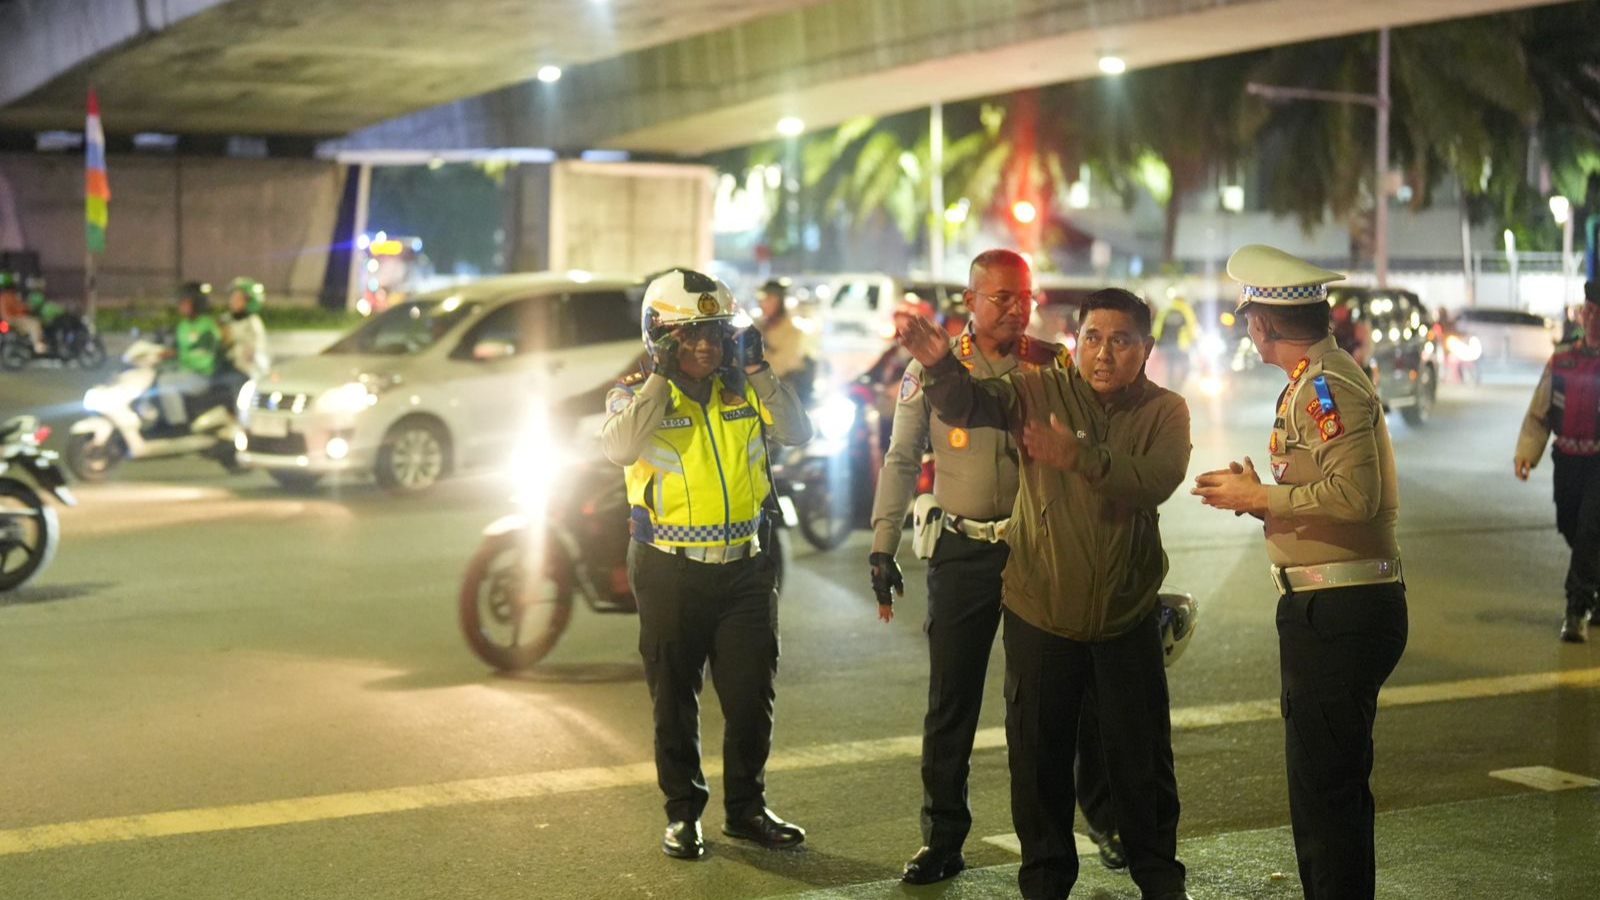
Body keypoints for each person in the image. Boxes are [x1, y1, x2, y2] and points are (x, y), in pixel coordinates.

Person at [897, 287, 1193, 900]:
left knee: (1140, 766)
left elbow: (1156, 480)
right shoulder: (1037, 389)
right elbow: (970, 404)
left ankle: (1160, 881)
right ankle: (1045, 884)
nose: (1103, 353)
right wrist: (940, 367)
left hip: (1125, 617)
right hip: (1039, 612)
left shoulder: (1167, 411)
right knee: (1037, 765)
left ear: (1147, 349)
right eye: (1091, 338)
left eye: (1120, 340)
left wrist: (1078, 455)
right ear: (1076, 340)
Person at [867, 250, 1128, 885]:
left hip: (1038, 551)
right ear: (970, 299)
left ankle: (1102, 819)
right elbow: (903, 459)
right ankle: (943, 838)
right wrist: (882, 544)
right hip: (961, 550)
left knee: (1058, 697)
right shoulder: (930, 369)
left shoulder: (1054, 364)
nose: (1015, 308)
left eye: (1024, 297)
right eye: (1001, 298)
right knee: (951, 701)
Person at [1191, 245, 1407, 900]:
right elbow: (1328, 500)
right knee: (1331, 794)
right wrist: (1264, 503)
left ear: (1263, 325)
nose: (1248, 331)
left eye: (1248, 320)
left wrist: (1261, 499)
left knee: (1326, 799)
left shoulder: (1325, 387)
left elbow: (1356, 497)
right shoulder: (1317, 380)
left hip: (1339, 614)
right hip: (1333, 607)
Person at [601, 268, 813, 861]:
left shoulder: (743, 386)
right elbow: (618, 447)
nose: (704, 345)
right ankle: (682, 813)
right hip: (669, 568)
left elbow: (798, 430)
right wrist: (659, 380)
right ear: (659, 338)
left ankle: (746, 810)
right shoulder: (633, 390)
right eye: (687, 334)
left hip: (746, 566)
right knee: (674, 697)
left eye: (715, 332)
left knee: (750, 698)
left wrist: (756, 367)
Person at [1515, 279, 1600, 642]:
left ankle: (1575, 609)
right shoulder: (1563, 358)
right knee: (1569, 524)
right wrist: (1526, 453)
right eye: (1589, 311)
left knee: (1589, 530)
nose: (1592, 318)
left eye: (1599, 313)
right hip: (1567, 458)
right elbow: (1540, 411)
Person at [155, 282, 223, 428]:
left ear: (196, 303)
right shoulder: (183, 325)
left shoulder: (208, 326)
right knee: (156, 374)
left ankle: (178, 424)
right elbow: (175, 348)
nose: (180, 305)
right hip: (184, 371)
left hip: (201, 376)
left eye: (184, 301)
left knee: (166, 382)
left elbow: (204, 359)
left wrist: (178, 354)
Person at [756, 278, 816, 403]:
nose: (764, 304)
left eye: (770, 299)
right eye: (763, 299)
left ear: (780, 302)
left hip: (782, 397)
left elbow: (780, 367)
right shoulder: (757, 328)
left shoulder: (792, 333)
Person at [219, 277, 271, 390]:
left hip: (248, 372)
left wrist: (231, 343)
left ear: (249, 302)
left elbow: (253, 353)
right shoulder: (226, 319)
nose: (233, 300)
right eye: (232, 297)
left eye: (238, 298)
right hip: (228, 369)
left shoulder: (253, 323)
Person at [1151, 293, 1197, 389]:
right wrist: (1194, 340)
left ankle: (1172, 387)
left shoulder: (1166, 310)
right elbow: (1191, 327)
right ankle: (1178, 386)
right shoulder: (1186, 310)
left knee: (1170, 368)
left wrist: (1156, 339)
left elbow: (1158, 326)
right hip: (1181, 346)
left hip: (1167, 344)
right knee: (1187, 367)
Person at [0, 272, 46, 354]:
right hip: (13, 318)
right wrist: (27, 307)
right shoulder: (8, 296)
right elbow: (17, 308)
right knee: (34, 323)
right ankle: (37, 345)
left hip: (9, 318)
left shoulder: (3, 296)